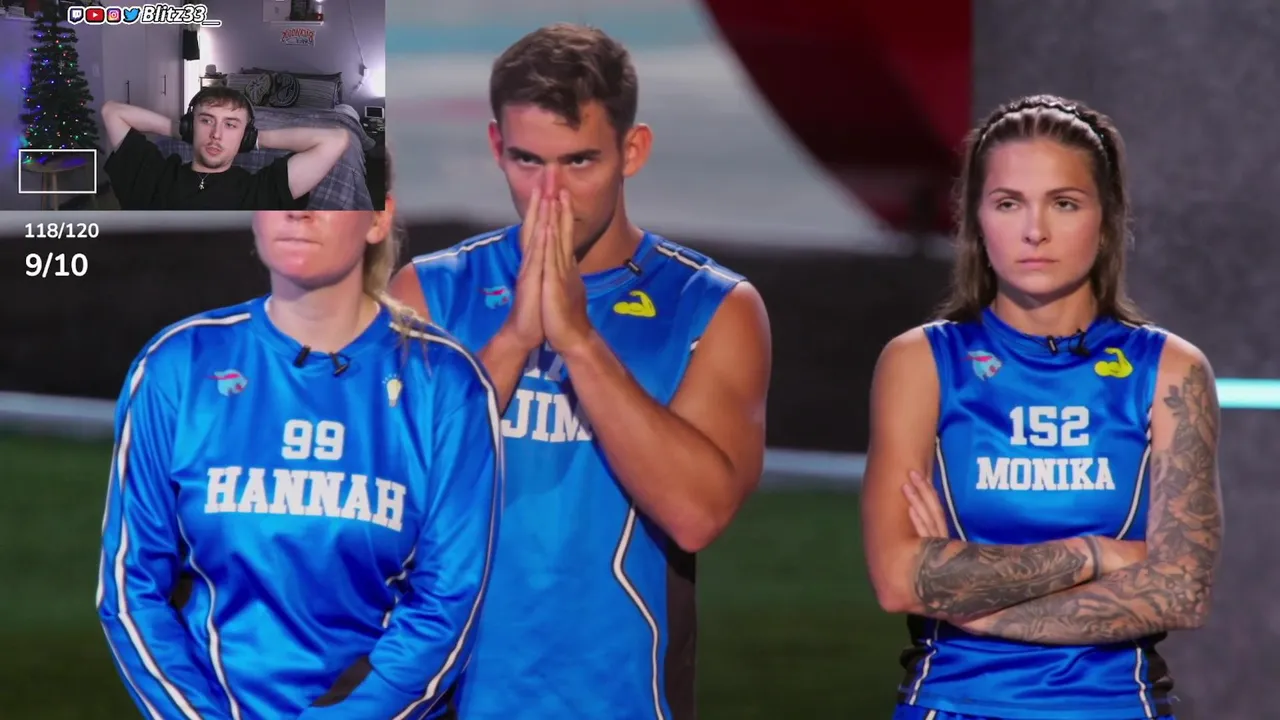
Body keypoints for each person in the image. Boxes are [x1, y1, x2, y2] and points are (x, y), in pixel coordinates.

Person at [389, 22, 773, 719]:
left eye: (579, 163)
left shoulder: (712, 308)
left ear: (633, 151)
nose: (551, 195)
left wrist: (579, 341)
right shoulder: (431, 293)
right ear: (497, 147)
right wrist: (516, 338)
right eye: (528, 161)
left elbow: (697, 515)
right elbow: (391, 503)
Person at [95, 156, 502, 719]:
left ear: (378, 218)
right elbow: (131, 589)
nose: (297, 211)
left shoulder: (446, 385)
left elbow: (447, 605)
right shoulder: (178, 366)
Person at [862, 94, 1224, 720]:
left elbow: (1181, 590)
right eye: (1009, 203)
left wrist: (970, 599)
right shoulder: (921, 362)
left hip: (1118, 707)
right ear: (976, 220)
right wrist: (1098, 554)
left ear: (1107, 219)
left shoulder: (1170, 370)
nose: (1035, 230)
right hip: (953, 705)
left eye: (1064, 203)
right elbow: (899, 580)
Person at [101, 87, 347, 210]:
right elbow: (112, 111)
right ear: (190, 125)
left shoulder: (260, 191)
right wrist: (180, 129)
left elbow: (336, 140)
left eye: (231, 125)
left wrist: (256, 139)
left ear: (245, 134)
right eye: (206, 121)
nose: (216, 134)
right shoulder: (156, 177)